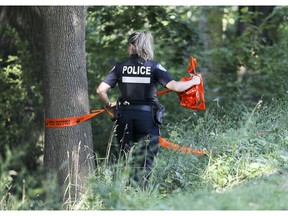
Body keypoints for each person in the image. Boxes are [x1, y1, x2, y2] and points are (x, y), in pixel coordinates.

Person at [96, 31, 200, 188]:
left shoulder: (120, 67)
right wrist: (194, 81)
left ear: (131, 47)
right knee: (145, 161)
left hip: (124, 117)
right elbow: (176, 86)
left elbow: (100, 90)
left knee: (125, 158)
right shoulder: (154, 66)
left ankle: (124, 194)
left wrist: (108, 103)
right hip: (146, 118)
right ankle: (140, 195)